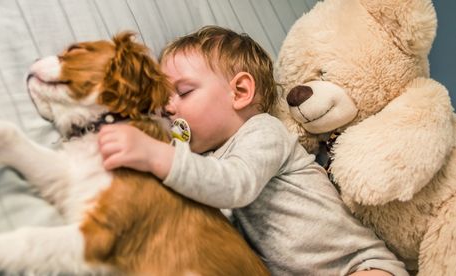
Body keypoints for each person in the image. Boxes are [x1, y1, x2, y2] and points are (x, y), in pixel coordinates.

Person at [97, 26, 408, 276]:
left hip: (358, 265)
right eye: (163, 99)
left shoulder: (263, 131)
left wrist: (158, 156)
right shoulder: (201, 161)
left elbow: (234, 184)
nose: (167, 107)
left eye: (183, 92)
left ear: (240, 92)